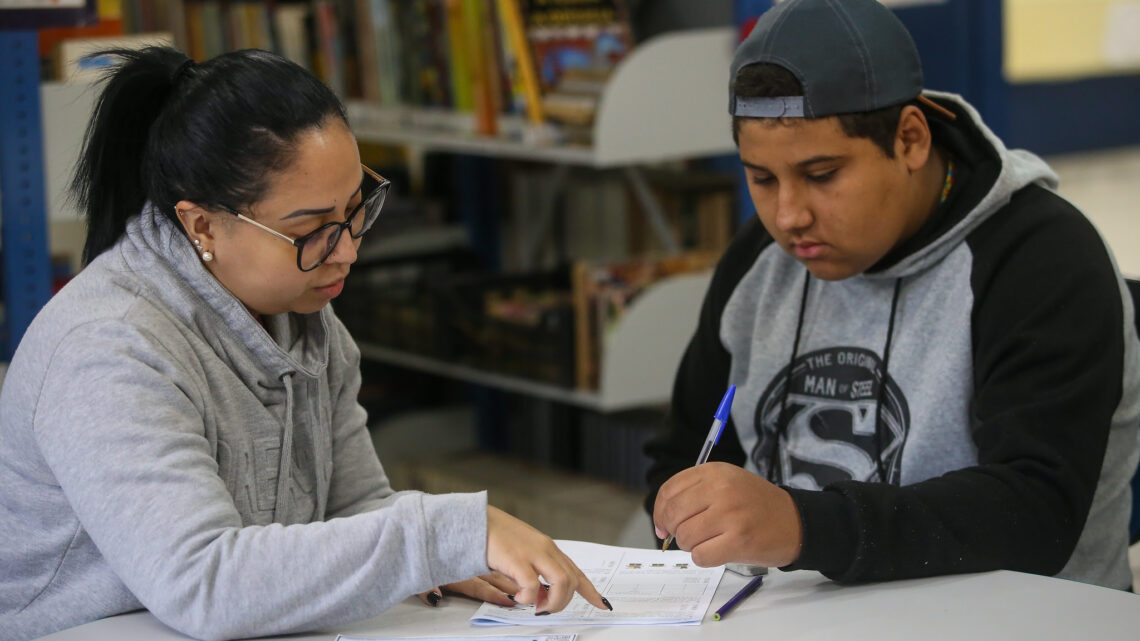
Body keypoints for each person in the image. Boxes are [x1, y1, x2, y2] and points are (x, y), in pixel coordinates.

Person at [0, 47, 609, 641]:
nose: (347, 251)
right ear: (201, 224)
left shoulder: (301, 314)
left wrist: (431, 557)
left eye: (355, 210)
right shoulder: (109, 348)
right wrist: (440, 536)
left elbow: (355, 506)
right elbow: (201, 583)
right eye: (312, 229)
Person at [646, 0, 1140, 590]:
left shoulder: (1043, 259)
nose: (789, 215)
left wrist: (804, 526)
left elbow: (1036, 512)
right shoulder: (762, 260)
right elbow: (682, 455)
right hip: (790, 614)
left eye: (822, 175)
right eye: (762, 178)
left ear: (910, 139)